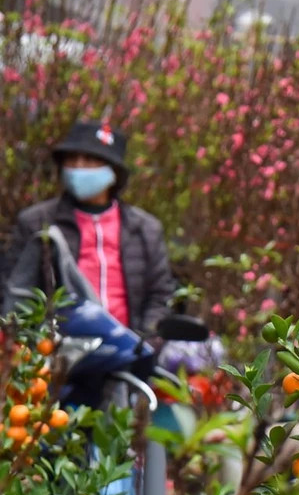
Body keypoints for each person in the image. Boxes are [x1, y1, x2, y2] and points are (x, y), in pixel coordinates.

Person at [3, 120, 174, 336]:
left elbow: (160, 294)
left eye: (90, 160)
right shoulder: (37, 222)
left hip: (131, 351)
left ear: (113, 172)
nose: (78, 167)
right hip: (58, 351)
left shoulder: (145, 228)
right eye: (72, 160)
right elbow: (15, 290)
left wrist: (145, 340)